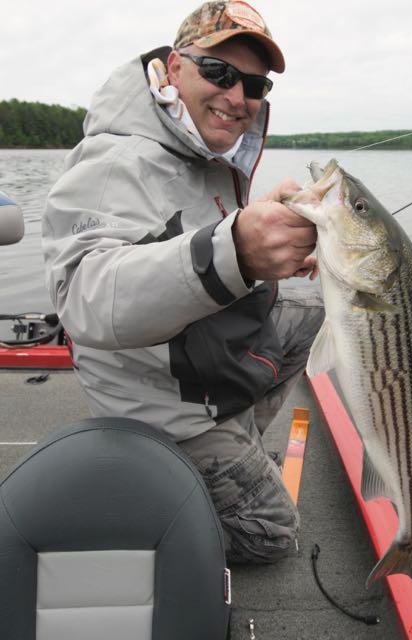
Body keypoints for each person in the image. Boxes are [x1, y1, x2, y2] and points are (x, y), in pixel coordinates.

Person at [42, 0, 324, 563]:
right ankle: (147, 509)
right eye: (218, 72)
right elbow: (84, 298)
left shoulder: (201, 150)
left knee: (308, 307)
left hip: (197, 366)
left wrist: (259, 238)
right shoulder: (115, 159)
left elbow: (184, 239)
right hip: (158, 399)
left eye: (254, 85)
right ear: (174, 69)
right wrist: (237, 247)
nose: (238, 97)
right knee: (271, 534)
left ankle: (238, 442)